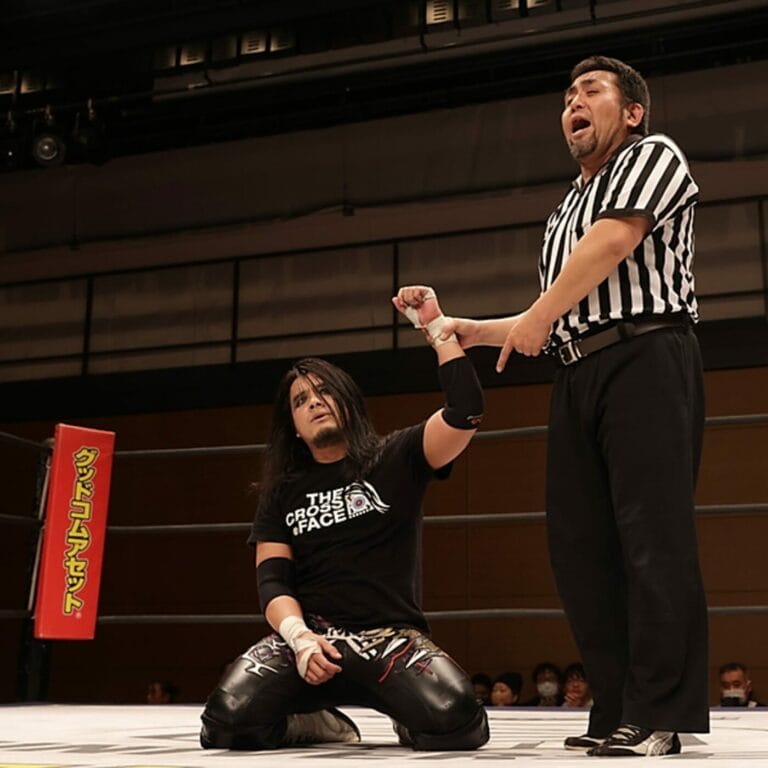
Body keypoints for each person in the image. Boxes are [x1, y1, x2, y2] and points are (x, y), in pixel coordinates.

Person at [436, 55, 708, 756]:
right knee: (581, 547)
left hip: (647, 353)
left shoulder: (654, 155)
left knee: (653, 537)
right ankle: (615, 705)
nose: (573, 104)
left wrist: (534, 317)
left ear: (633, 110)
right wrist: (472, 330)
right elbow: (549, 316)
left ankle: (661, 712)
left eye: (590, 91)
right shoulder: (563, 210)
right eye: (566, 97)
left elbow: (615, 243)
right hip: (578, 370)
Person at [199, 285, 489, 752]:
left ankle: (405, 714)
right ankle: (313, 721)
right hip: (312, 639)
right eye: (300, 400)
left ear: (347, 402)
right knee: (225, 724)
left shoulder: (397, 456)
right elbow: (273, 582)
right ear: (294, 426)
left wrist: (437, 329)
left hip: (389, 638)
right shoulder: (281, 492)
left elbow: (466, 411)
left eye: (323, 392)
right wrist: (298, 638)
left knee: (456, 723)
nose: (313, 403)